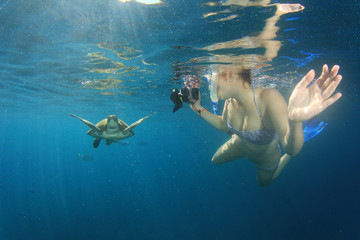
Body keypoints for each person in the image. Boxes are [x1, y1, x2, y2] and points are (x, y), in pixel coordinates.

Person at [189, 64, 342, 186]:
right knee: (214, 161)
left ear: (231, 75)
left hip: (265, 159)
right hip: (240, 144)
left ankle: (301, 135)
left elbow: (291, 148)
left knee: (263, 183)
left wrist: (295, 122)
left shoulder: (268, 98)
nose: (210, 80)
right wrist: (197, 107)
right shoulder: (231, 100)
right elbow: (223, 125)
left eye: (214, 75)